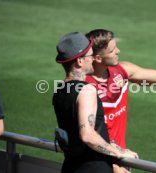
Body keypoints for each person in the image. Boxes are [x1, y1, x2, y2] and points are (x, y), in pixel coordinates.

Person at [52, 32, 137, 173]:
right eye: (90, 56)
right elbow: (87, 135)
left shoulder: (60, 90)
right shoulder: (86, 90)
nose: (94, 59)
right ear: (80, 61)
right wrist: (118, 153)